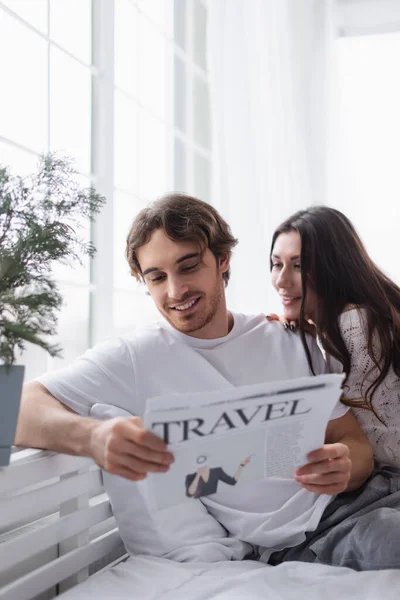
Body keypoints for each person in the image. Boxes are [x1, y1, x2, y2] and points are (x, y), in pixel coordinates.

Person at [15, 192, 397, 571]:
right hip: (315, 535)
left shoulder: (287, 337)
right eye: (157, 277)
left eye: (188, 267)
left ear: (222, 260)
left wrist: (347, 467)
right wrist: (93, 438)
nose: (175, 291)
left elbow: (355, 444)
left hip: (376, 493)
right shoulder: (134, 358)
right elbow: (13, 406)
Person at [269, 205, 400, 468]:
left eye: (298, 266)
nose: (282, 281)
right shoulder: (358, 315)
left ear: (333, 267)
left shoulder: (355, 325)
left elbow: (340, 431)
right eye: (276, 264)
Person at [186, 456, 251, 498]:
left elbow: (232, 482)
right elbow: (190, 493)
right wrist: (198, 475)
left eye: (204, 464)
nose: (203, 467)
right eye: (200, 466)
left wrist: (241, 465)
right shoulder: (190, 477)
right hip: (200, 504)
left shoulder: (216, 471)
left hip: (215, 500)